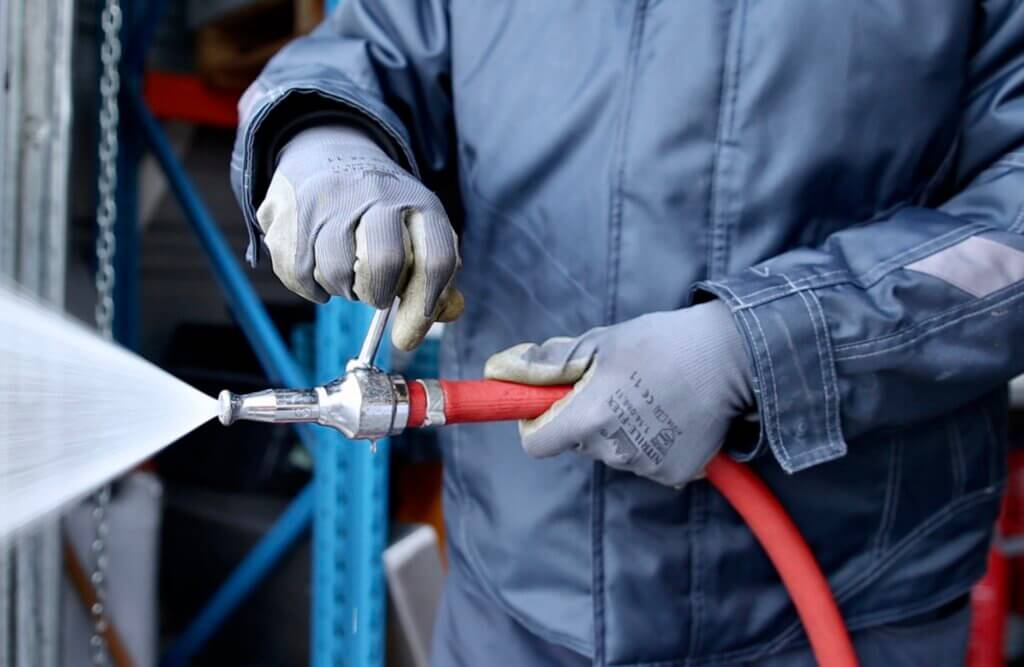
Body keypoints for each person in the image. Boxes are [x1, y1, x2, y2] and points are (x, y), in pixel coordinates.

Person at [231, 3, 1024, 665]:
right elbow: (373, 45)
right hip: (515, 600)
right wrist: (324, 134)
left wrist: (769, 345)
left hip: (845, 598)